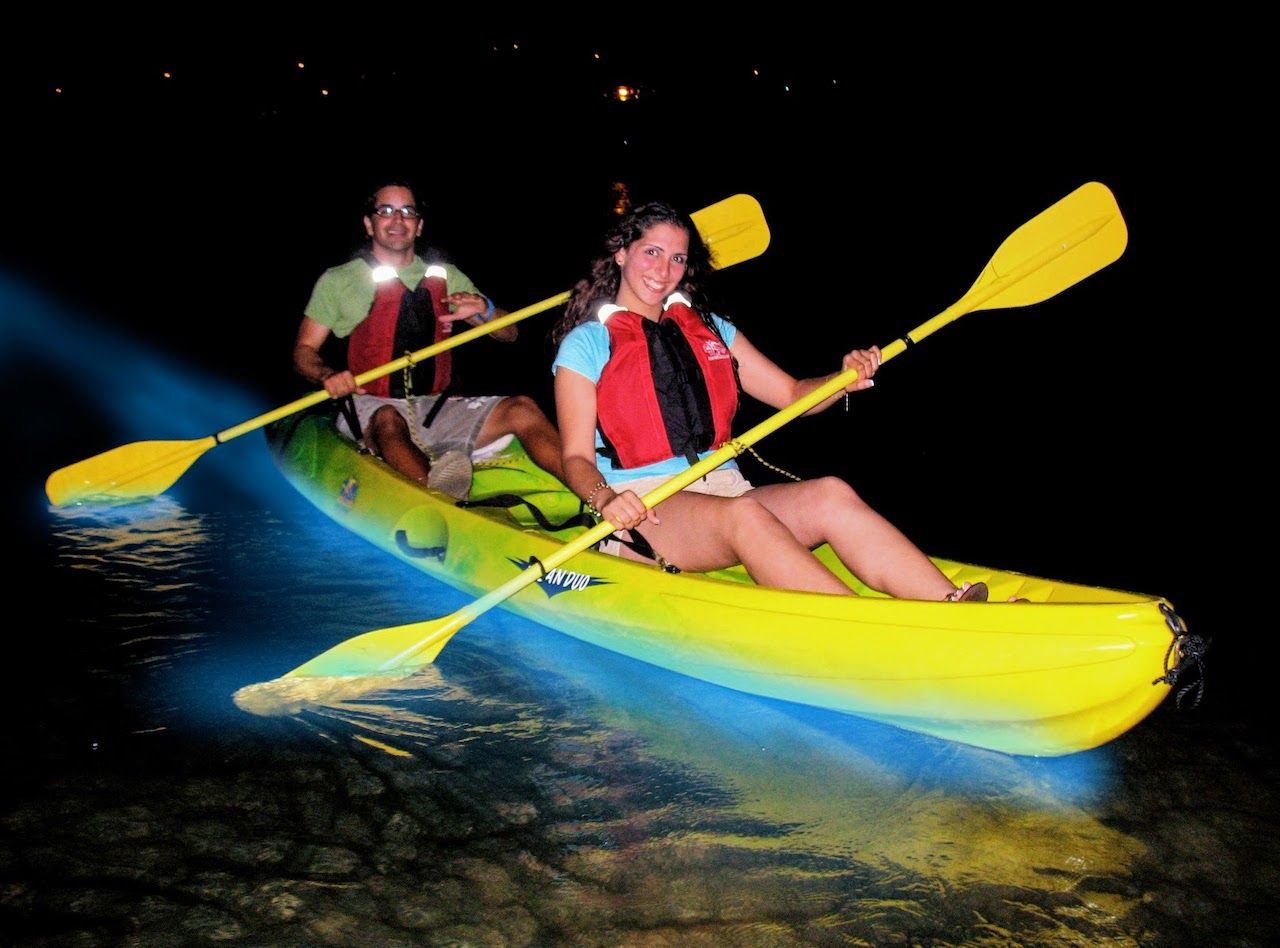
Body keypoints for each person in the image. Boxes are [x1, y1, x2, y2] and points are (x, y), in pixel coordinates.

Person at [550, 200, 988, 602]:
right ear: (622, 254)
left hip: (724, 490)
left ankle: (950, 605)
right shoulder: (586, 345)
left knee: (830, 494)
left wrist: (841, 379)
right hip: (644, 508)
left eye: (677, 258)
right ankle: (863, 628)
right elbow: (574, 458)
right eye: (652, 253)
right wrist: (605, 500)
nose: (664, 270)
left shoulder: (710, 329)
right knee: (746, 517)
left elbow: (794, 395)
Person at [293, 180, 566, 499]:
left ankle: (597, 493)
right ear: (369, 224)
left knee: (523, 408)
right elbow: (304, 350)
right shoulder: (339, 281)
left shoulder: (446, 276)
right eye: (386, 211)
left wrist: (485, 310)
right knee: (388, 421)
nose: (397, 220)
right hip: (373, 404)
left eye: (408, 212)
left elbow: (509, 333)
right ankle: (442, 503)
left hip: (437, 406)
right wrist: (326, 375)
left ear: (419, 226)